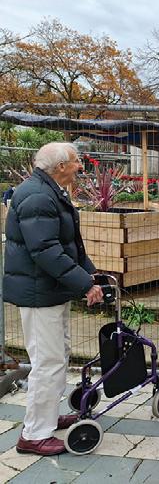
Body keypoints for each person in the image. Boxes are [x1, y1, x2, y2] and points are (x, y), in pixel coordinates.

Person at [3, 142, 103, 456]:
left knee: (57, 357)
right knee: (47, 362)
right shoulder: (37, 196)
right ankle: (34, 435)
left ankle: (46, 418)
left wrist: (91, 274)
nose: (80, 166)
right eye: (76, 161)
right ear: (60, 166)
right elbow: (46, 250)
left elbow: (69, 244)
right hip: (39, 294)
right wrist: (84, 284)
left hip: (49, 291)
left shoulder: (49, 191)